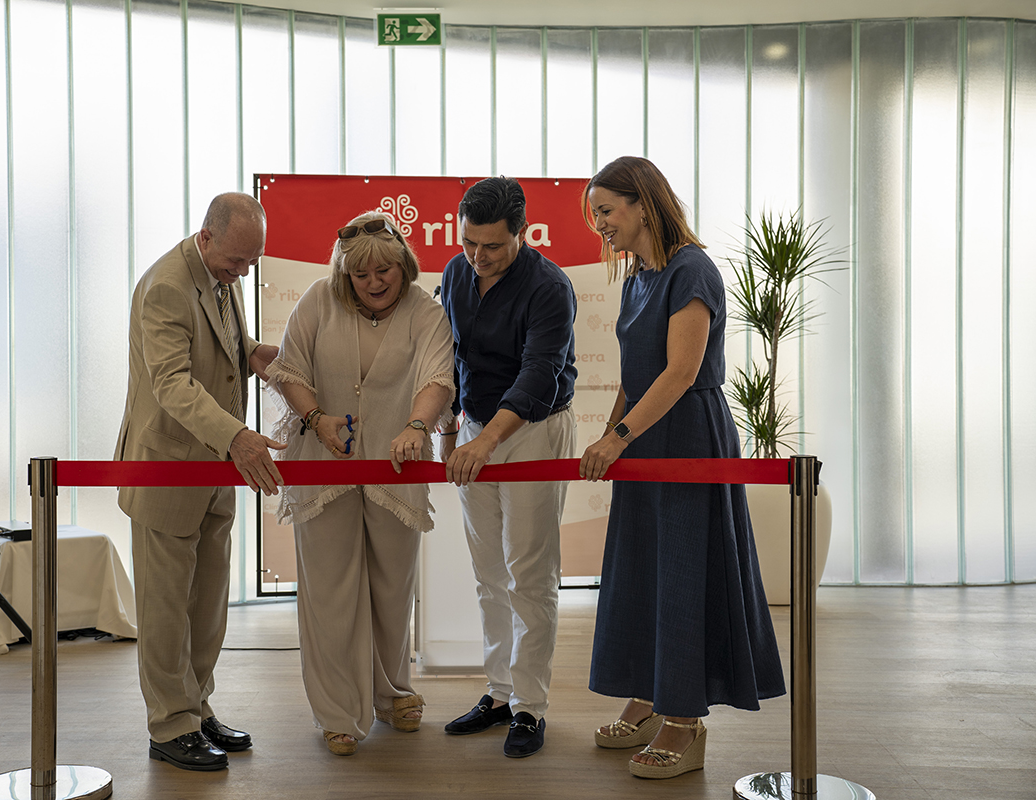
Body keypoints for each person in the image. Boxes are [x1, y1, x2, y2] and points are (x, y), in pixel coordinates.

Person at [579, 156, 785, 779]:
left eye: (606, 210)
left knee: (683, 573)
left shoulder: (692, 269)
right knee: (643, 569)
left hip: (689, 433)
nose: (600, 224)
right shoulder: (637, 276)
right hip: (645, 436)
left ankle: (684, 720)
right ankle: (648, 695)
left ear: (643, 203)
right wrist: (612, 435)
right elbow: (634, 376)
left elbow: (681, 372)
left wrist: (618, 437)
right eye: (595, 215)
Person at [267, 211, 454, 756]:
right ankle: (337, 711)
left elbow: (438, 378)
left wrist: (416, 426)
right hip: (324, 468)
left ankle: (391, 691)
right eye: (360, 274)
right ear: (343, 273)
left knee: (392, 589)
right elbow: (288, 369)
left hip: (396, 469)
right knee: (330, 591)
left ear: (404, 265)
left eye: (384, 271)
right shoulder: (316, 302)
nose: (373, 283)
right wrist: (316, 418)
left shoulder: (426, 312)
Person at [114, 192, 285, 772]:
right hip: (169, 469)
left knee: (207, 606)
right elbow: (172, 383)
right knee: (165, 610)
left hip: (215, 468)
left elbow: (221, 342)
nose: (244, 272)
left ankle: (197, 708)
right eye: (237, 261)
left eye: (252, 262)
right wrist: (237, 436)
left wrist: (255, 352)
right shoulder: (165, 286)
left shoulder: (222, 274)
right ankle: (171, 724)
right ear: (206, 237)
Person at [438, 177, 578, 759]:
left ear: (522, 232)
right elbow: (450, 357)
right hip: (475, 427)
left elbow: (539, 372)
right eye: (469, 242)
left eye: (492, 245)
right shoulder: (455, 273)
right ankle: (499, 693)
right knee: (489, 572)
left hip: (533, 431)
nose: (478, 256)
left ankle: (529, 706)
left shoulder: (550, 287)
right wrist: (452, 431)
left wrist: (487, 441)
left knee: (530, 574)